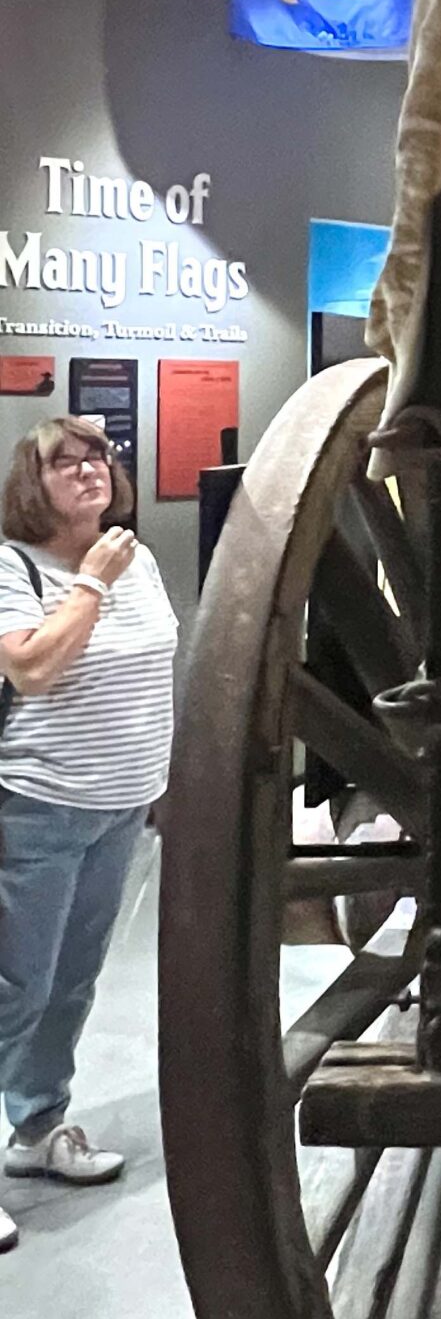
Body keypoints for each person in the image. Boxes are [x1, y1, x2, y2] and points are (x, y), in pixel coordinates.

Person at [0, 418, 177, 1253]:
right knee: (13, 989)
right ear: (32, 484)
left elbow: (158, 667)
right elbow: (33, 668)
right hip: (37, 808)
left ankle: (37, 1131)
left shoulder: (131, 556)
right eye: (62, 462)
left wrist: (165, 782)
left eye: (96, 456)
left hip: (120, 808)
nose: (86, 471)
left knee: (71, 983)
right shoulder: (17, 565)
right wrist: (91, 585)